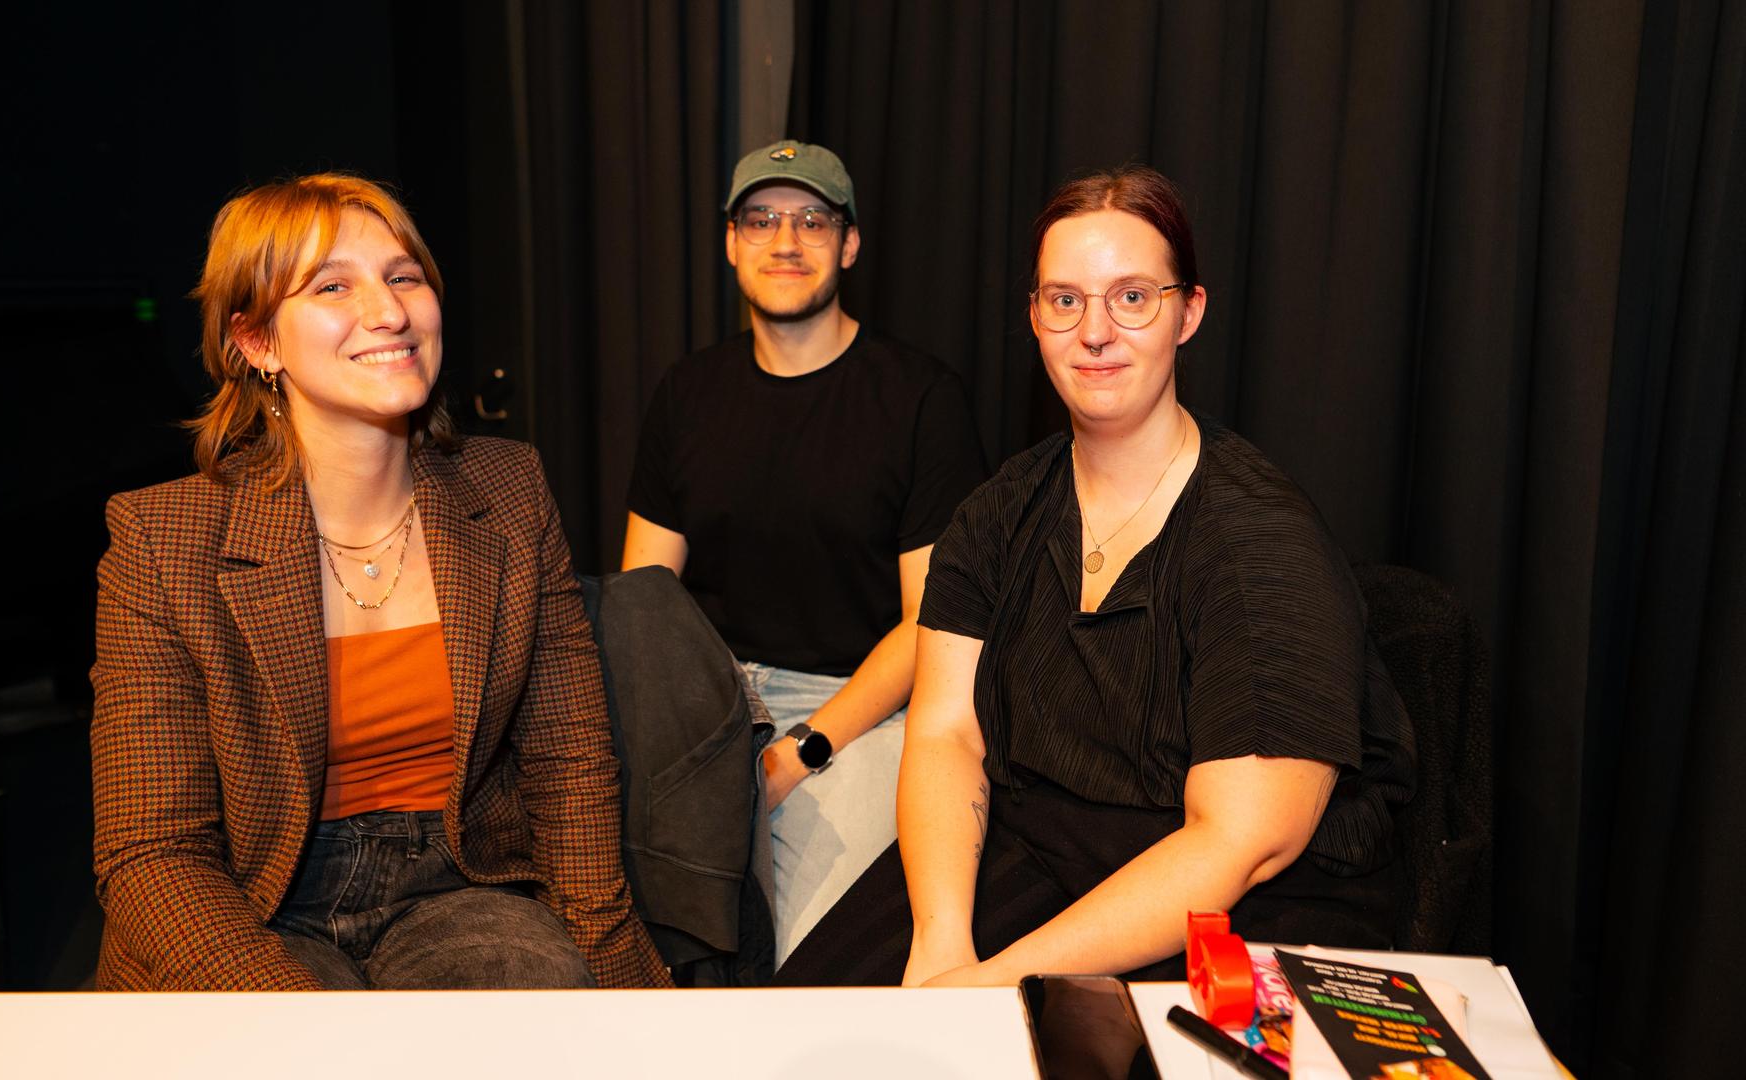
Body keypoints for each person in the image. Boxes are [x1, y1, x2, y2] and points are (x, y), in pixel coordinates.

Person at [772, 164, 1416, 987]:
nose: (1095, 332)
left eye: (1132, 297)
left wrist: (988, 984)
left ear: (1188, 313)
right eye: (1065, 299)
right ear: (1035, 318)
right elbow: (945, 733)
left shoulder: (1262, 546)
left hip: (1231, 902)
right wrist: (941, 940)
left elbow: (1238, 843)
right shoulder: (996, 514)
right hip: (1034, 847)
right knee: (815, 1022)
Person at [90, 174, 668, 990]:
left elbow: (566, 759)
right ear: (256, 342)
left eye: (403, 276)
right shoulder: (162, 539)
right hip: (249, 899)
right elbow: (151, 849)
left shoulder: (509, 490)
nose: (389, 311)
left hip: (458, 881)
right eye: (333, 286)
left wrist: (621, 981)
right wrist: (293, 1019)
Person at [622, 140, 987, 962]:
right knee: (646, 943)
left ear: (848, 244)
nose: (784, 241)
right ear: (730, 242)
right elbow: (645, 603)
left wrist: (803, 749)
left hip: (862, 713)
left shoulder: (920, 398)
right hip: (707, 702)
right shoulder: (686, 394)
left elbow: (933, 625)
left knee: (809, 955)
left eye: (811, 220)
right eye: (760, 219)